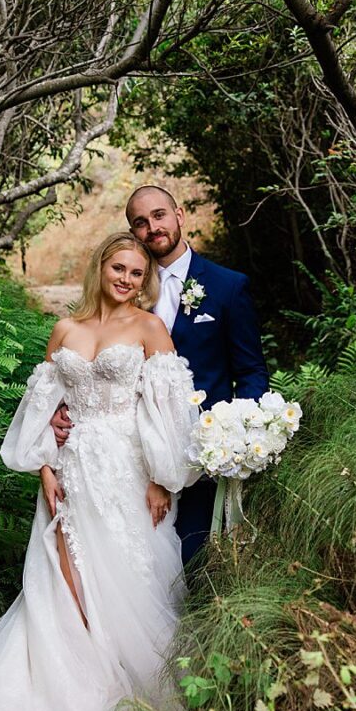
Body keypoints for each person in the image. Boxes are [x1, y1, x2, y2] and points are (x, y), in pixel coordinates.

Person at [0, 232, 202, 711]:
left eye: (137, 272)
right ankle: (86, 683)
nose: (127, 278)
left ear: (145, 279)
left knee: (132, 572)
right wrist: (45, 468)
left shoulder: (149, 329)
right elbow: (41, 409)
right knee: (69, 574)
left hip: (129, 469)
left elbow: (168, 410)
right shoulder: (65, 329)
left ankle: (129, 690)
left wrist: (162, 477)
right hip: (71, 467)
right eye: (119, 267)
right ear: (100, 266)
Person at [53, 185, 269, 564]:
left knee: (192, 559)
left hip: (199, 454)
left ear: (179, 216)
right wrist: (60, 408)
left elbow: (250, 371)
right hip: (127, 457)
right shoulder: (125, 284)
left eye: (159, 216)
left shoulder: (227, 286)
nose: (152, 227)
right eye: (140, 222)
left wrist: (239, 433)